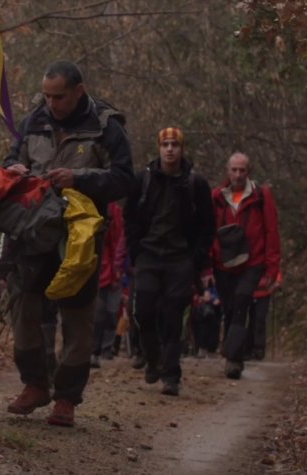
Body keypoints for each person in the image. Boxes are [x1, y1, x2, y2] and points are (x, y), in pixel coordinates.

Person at [2, 60, 134, 427]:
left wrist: (79, 178)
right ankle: (34, 384)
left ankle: (66, 399)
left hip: (80, 238)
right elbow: (12, 157)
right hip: (32, 231)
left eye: (59, 96)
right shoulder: (33, 121)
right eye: (46, 95)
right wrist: (12, 168)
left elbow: (125, 179)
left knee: (77, 318)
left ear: (79, 91)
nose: (52, 103)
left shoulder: (106, 127)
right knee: (24, 308)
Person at [123, 127, 215, 396]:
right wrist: (135, 252)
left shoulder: (195, 184)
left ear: (182, 148)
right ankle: (153, 359)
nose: (170, 149)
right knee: (143, 312)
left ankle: (171, 375)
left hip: (180, 260)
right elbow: (129, 219)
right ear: (159, 148)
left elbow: (208, 226)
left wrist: (195, 259)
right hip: (149, 256)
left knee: (174, 319)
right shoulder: (144, 180)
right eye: (166, 144)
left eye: (175, 144)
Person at [210, 152, 281, 379]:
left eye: (242, 170)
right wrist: (209, 261)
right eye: (234, 170)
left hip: (253, 261)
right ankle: (233, 348)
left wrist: (272, 268)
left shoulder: (262, 196)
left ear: (248, 172)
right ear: (227, 171)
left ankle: (233, 359)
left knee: (242, 302)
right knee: (230, 308)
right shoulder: (216, 197)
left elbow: (272, 232)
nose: (238, 175)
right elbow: (208, 231)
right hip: (223, 263)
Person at [91, 201, 127, 368]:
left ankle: (107, 347)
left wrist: (118, 268)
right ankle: (94, 350)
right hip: (98, 268)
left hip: (114, 270)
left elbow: (120, 240)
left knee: (112, 313)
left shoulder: (116, 212)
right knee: (98, 312)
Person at [244, 271, 282, 360]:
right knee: (249, 320)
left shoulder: (268, 260)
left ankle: (258, 348)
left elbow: (277, 271)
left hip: (264, 293)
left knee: (260, 319)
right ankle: (247, 348)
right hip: (249, 292)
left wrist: (275, 284)